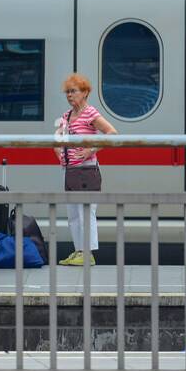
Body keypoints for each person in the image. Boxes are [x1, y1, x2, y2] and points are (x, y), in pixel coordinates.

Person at [54, 73, 117, 266]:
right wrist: (58, 149)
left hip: (86, 171)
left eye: (73, 91)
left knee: (85, 213)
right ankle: (79, 251)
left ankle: (87, 253)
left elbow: (112, 133)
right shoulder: (66, 116)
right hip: (70, 170)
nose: (69, 95)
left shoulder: (90, 113)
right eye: (67, 92)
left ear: (85, 93)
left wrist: (91, 150)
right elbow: (58, 136)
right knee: (73, 215)